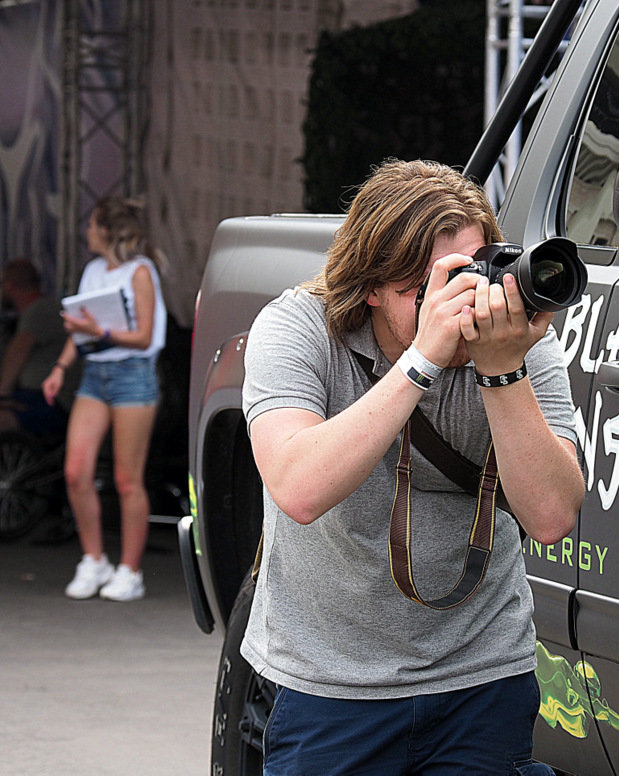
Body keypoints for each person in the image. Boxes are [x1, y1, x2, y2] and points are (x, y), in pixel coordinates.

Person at [241, 159, 584, 775]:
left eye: (474, 273)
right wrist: (421, 360)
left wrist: (503, 372)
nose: (463, 302)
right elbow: (298, 487)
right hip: (331, 683)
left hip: (480, 675)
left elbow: (553, 515)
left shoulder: (515, 346)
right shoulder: (298, 329)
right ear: (370, 284)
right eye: (432, 285)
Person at [42, 196, 167, 603]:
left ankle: (130, 570)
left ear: (108, 232)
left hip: (134, 374)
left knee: (126, 478)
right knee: (76, 470)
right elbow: (80, 331)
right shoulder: (94, 270)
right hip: (96, 373)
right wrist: (60, 368)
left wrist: (102, 332)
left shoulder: (141, 272)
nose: (87, 233)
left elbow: (145, 336)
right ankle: (94, 558)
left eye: (92, 225)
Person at [0, 259, 68, 435]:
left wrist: (3, 394)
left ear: (10, 286)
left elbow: (17, 352)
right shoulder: (44, 308)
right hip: (41, 398)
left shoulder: (39, 310)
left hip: (48, 401)